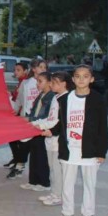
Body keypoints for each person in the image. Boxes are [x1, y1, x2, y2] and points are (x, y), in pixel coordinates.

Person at [51, 65, 108, 216]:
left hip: (90, 151)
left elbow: (102, 128)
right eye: (77, 76)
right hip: (69, 150)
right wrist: (49, 131)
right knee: (67, 185)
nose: (81, 79)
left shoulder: (97, 100)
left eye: (85, 76)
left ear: (91, 79)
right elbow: (61, 124)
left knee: (90, 185)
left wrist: (101, 152)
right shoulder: (64, 99)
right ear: (73, 79)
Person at [32, 71, 75, 206]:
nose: (52, 84)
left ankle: (59, 195)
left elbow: (60, 121)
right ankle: (54, 192)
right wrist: (37, 124)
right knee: (52, 168)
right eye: (52, 81)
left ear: (64, 84)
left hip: (58, 140)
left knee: (58, 170)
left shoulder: (66, 99)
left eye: (55, 82)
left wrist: (44, 127)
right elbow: (50, 118)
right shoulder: (56, 97)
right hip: (50, 139)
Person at [20, 72, 55, 192]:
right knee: (34, 155)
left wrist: (29, 119)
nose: (37, 84)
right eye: (37, 81)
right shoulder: (41, 95)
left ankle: (44, 183)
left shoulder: (51, 97)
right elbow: (34, 111)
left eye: (40, 81)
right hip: (34, 127)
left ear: (50, 83)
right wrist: (29, 119)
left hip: (42, 128)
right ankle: (33, 180)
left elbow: (45, 115)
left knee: (42, 157)